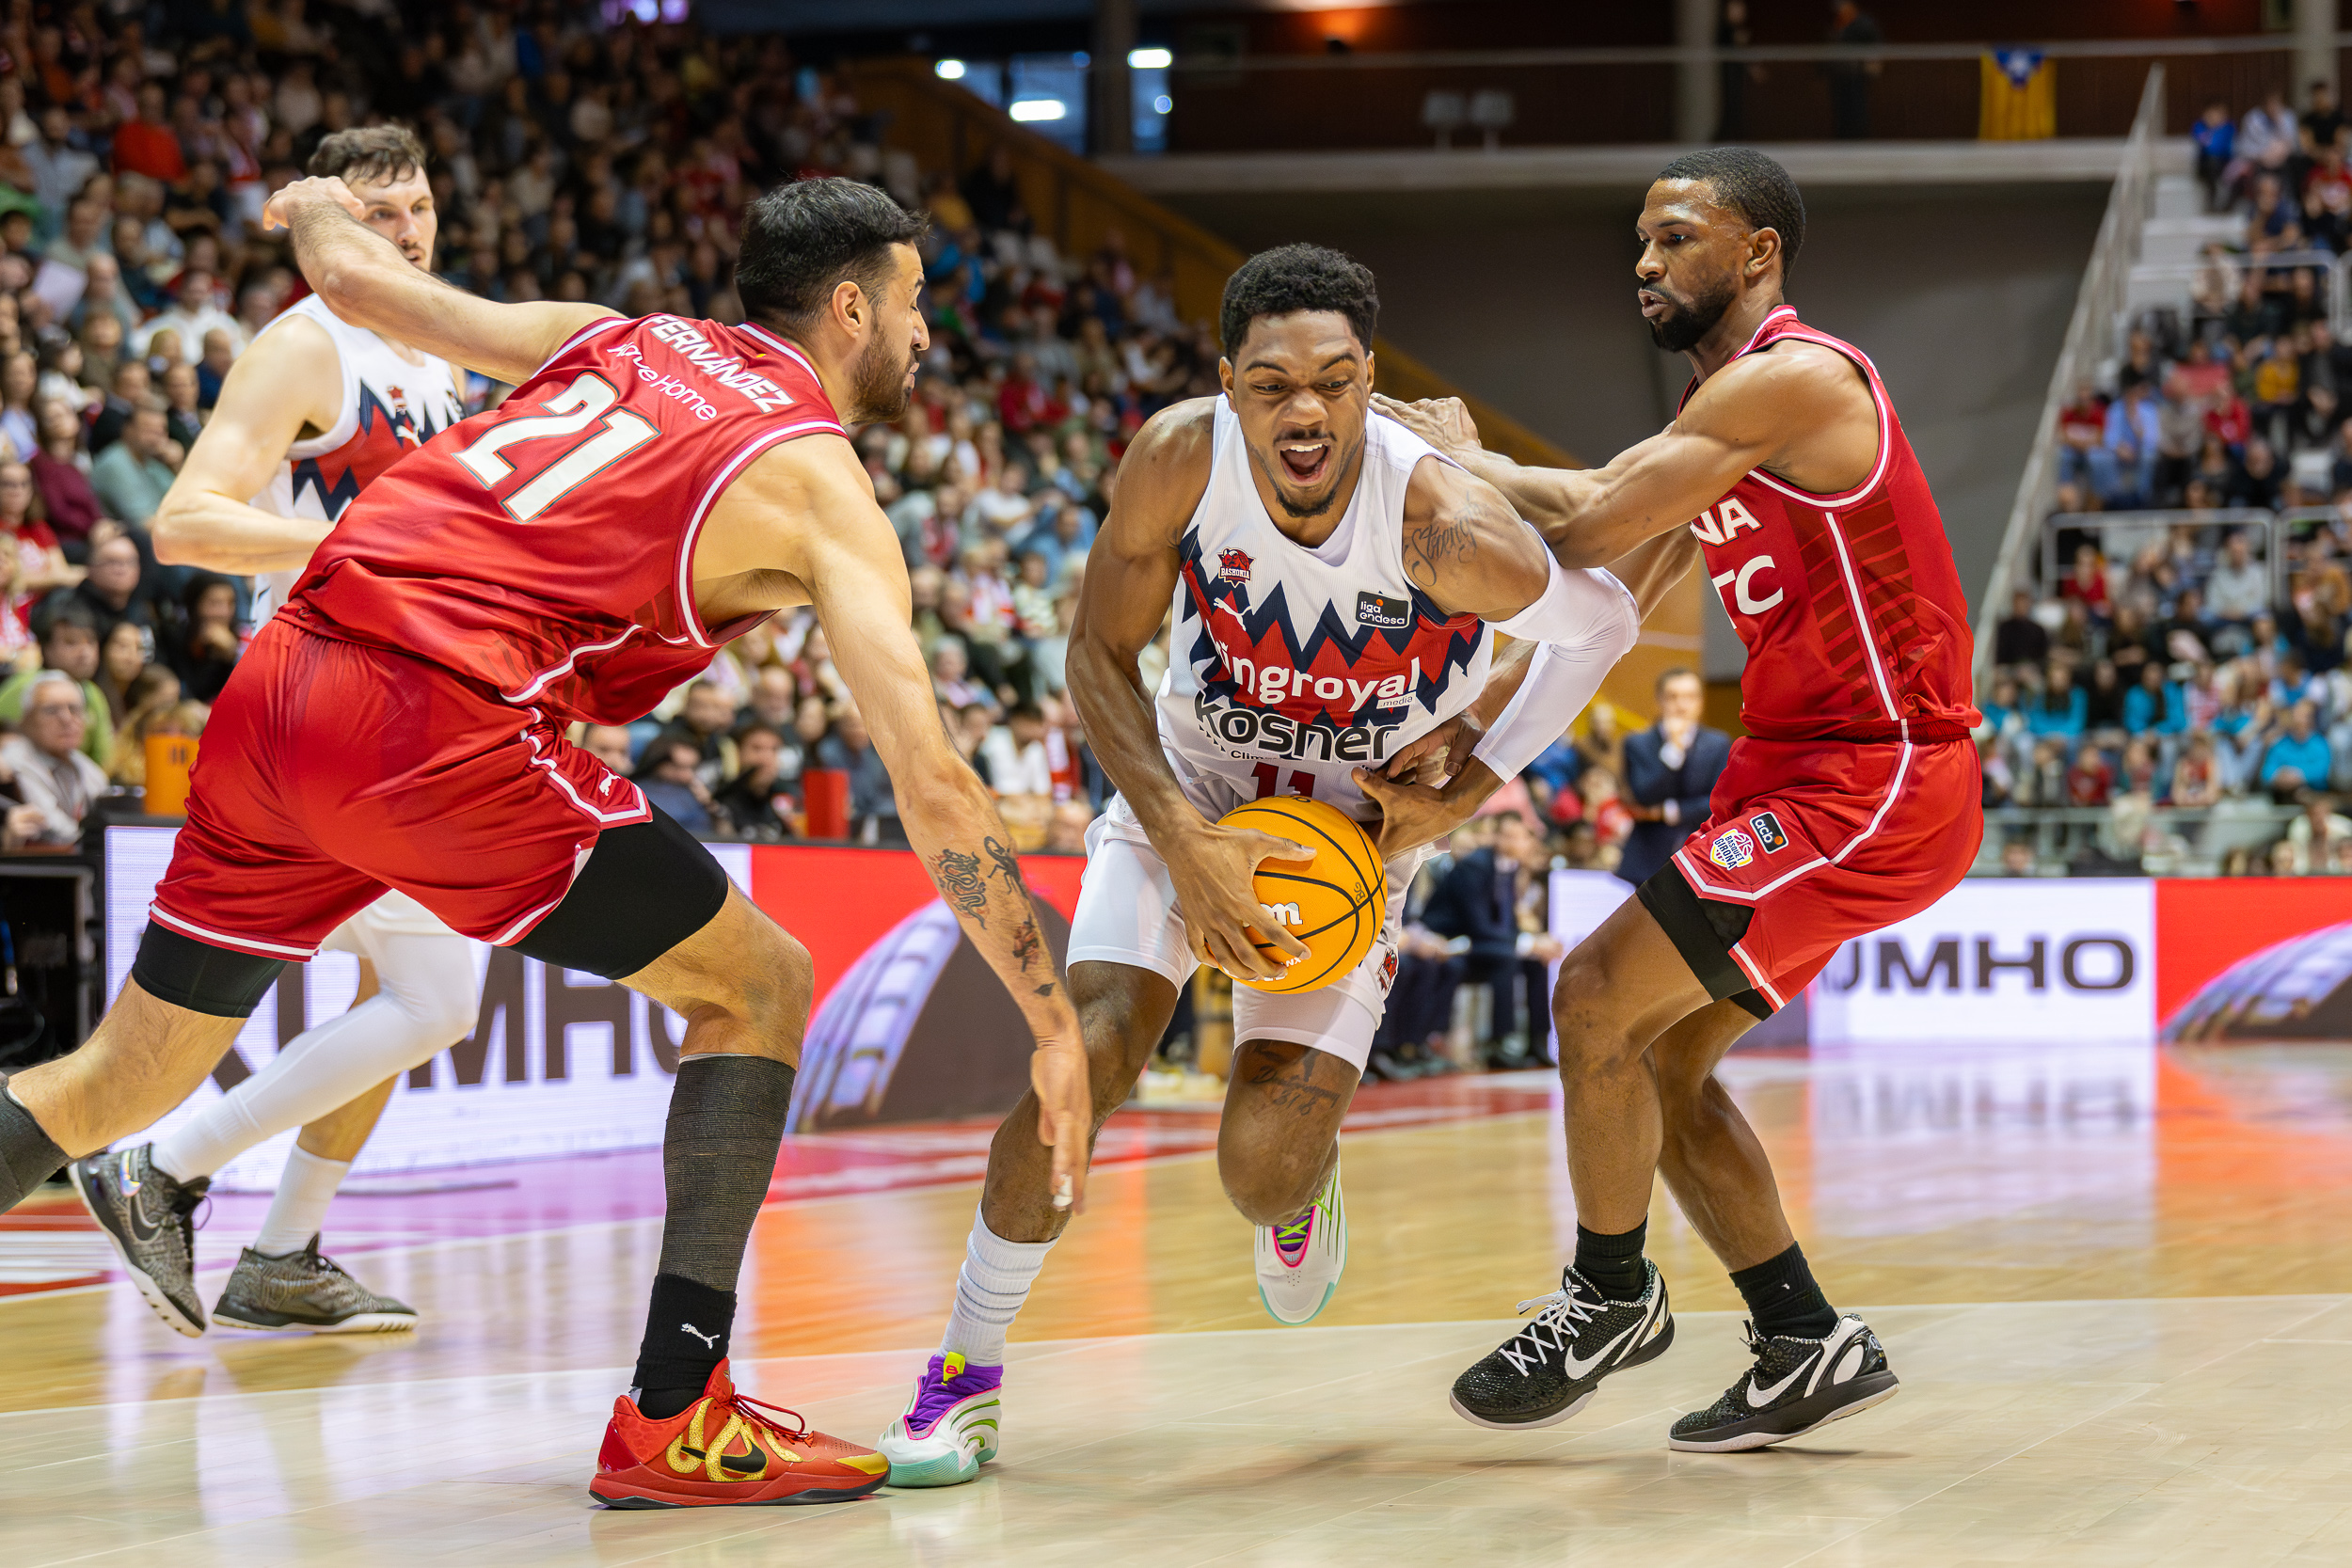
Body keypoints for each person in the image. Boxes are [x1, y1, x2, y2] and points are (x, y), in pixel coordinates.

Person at [0, 172, 1090, 1512]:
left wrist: (312, 205)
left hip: (285, 677)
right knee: (757, 983)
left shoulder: (620, 335)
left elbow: (358, 287)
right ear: (853, 305)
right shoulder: (817, 484)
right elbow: (929, 778)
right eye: (918, 303)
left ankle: (662, 1403)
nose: (931, 335)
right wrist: (1047, 1015)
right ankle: (675, 1414)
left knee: (114, 1078)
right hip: (432, 719)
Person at [873, 244, 1692, 1488]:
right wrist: (1188, 839)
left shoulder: (1446, 522)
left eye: (1332, 380)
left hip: (1350, 841)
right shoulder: (1180, 461)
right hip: (1184, 796)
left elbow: (1601, 627)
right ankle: (964, 1369)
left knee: (1258, 1172)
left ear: (1370, 382)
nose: (1302, 411)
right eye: (1270, 384)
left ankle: (1304, 1180)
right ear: (1228, 383)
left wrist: (1470, 778)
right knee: (1084, 1057)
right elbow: (1099, 656)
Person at [1378, 148, 1979, 1451]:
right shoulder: (1716, 427)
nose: (1644, 263)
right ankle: (1803, 1334)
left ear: (1757, 250)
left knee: (1590, 992)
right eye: (1639, 243)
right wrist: (1469, 758)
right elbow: (1598, 611)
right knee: (1652, 1056)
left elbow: (1585, 516)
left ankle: (1609, 1292)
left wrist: (1438, 465)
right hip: (1796, 766)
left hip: (1878, 768)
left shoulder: (1800, 382)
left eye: (1675, 238)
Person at [79, 127, 480, 1338]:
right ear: (326, 224)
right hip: (312, 703)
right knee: (431, 990)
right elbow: (186, 523)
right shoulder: (305, 346)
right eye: (377, 212)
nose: (404, 232)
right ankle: (163, 1166)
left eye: (416, 208)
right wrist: (349, 549)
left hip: (389, 707)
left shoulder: (440, 355)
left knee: (422, 985)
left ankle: (283, 1248)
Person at [1616, 666, 1733, 886]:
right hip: (1646, 858)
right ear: (1659, 701)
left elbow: (1718, 801)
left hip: (1699, 853)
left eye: (1690, 697)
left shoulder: (1718, 744)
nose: (1682, 705)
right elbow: (1642, 795)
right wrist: (1673, 753)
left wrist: (1668, 811)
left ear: (1700, 701)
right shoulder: (1637, 743)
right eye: (1673, 697)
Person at [0, 670, 110, 845]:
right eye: (51, 710)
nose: (67, 719)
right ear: (27, 720)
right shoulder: (13, 760)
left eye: (74, 709)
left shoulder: (88, 768)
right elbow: (54, 829)